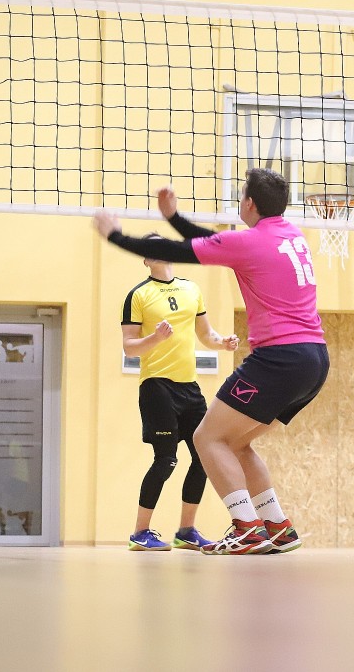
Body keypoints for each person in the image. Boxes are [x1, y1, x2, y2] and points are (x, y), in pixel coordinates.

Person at [94, 167, 329, 555]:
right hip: (315, 359)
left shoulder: (248, 242)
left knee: (206, 438)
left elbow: (182, 250)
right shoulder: (292, 236)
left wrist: (115, 236)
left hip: (278, 359)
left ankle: (247, 527)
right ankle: (277, 527)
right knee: (235, 443)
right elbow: (211, 241)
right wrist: (173, 217)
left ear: (248, 203)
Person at [121, 236, 240, 551]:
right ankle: (140, 533)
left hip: (189, 387)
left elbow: (206, 334)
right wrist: (155, 338)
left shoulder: (191, 290)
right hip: (157, 386)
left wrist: (223, 343)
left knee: (204, 456)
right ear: (146, 260)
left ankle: (186, 530)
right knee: (166, 460)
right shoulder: (138, 295)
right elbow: (129, 347)